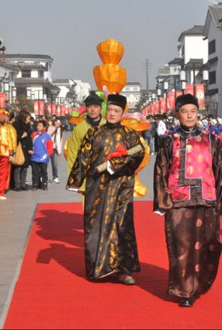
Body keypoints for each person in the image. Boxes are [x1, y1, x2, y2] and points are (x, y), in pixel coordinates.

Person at [153, 94, 222, 307]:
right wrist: (163, 201)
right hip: (178, 201)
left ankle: (199, 283)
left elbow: (219, 171)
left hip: (206, 200)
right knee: (181, 246)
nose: (189, 115)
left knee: (207, 245)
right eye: (184, 112)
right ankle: (185, 290)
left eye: (193, 111)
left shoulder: (211, 140)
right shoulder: (169, 141)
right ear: (177, 115)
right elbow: (161, 171)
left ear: (198, 114)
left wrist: (219, 202)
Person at [66, 93, 145, 285]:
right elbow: (83, 156)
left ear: (122, 113)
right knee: (95, 225)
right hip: (97, 185)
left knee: (121, 225)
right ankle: (98, 268)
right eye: (109, 110)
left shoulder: (130, 135)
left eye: (116, 111)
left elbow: (138, 153)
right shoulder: (94, 133)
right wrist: (76, 180)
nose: (112, 114)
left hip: (121, 186)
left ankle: (123, 270)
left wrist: (117, 163)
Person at [66, 92, 106, 176]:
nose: (92, 110)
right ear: (86, 109)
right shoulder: (79, 129)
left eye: (96, 107)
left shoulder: (108, 126)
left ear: (101, 109)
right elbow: (73, 153)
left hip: (105, 174)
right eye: (89, 107)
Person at [12, 110, 34, 191]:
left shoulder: (28, 126)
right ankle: (17, 185)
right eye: (28, 118)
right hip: (18, 148)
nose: (29, 120)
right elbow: (13, 137)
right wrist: (21, 136)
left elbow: (29, 138)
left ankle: (23, 184)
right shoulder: (15, 125)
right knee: (18, 166)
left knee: (25, 167)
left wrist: (30, 148)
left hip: (26, 148)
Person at [31, 120, 54, 191]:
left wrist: (48, 154)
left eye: (40, 126)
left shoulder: (47, 136)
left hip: (43, 158)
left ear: (44, 127)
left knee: (44, 172)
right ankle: (35, 184)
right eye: (38, 125)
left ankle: (44, 184)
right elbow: (31, 145)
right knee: (35, 172)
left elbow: (50, 147)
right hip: (35, 157)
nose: (38, 127)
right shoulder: (34, 135)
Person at [50, 118, 64, 183]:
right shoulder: (51, 127)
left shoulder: (60, 130)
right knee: (44, 163)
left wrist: (59, 150)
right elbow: (48, 134)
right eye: (57, 122)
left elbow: (60, 141)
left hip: (55, 148)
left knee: (55, 163)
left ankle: (55, 177)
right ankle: (42, 177)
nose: (58, 123)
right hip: (49, 147)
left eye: (59, 122)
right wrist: (54, 128)